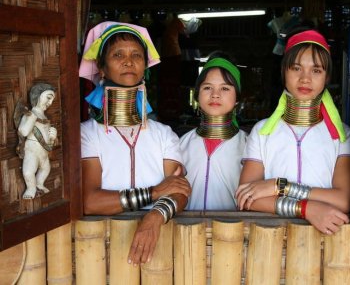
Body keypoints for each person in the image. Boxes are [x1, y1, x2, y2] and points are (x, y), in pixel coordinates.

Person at [78, 21, 191, 265]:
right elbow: (90, 201)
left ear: (144, 67)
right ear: (102, 68)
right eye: (118, 54)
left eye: (136, 55)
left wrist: (155, 217)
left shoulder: (163, 134)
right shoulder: (86, 134)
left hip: (159, 250)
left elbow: (181, 192)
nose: (128, 61)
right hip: (98, 252)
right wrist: (155, 193)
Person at [235, 30, 350, 235]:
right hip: (269, 239)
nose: (305, 78)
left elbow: (343, 200)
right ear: (284, 72)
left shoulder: (343, 135)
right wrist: (306, 208)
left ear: (327, 77)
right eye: (296, 68)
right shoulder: (262, 132)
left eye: (316, 70)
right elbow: (246, 197)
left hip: (326, 241)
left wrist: (281, 187)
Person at [179, 52, 247, 210]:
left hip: (233, 231)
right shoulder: (180, 144)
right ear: (197, 95)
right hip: (188, 230)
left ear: (237, 98)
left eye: (225, 88)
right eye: (207, 87)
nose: (215, 95)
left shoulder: (249, 145)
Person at [16, 83, 57, 199]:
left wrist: (53, 137)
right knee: (28, 172)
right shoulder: (29, 114)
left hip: (44, 153)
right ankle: (31, 188)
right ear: (37, 95)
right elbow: (23, 131)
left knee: (45, 169)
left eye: (52, 100)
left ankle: (39, 184)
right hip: (32, 152)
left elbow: (49, 141)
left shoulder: (45, 118)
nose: (50, 103)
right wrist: (32, 119)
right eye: (49, 98)